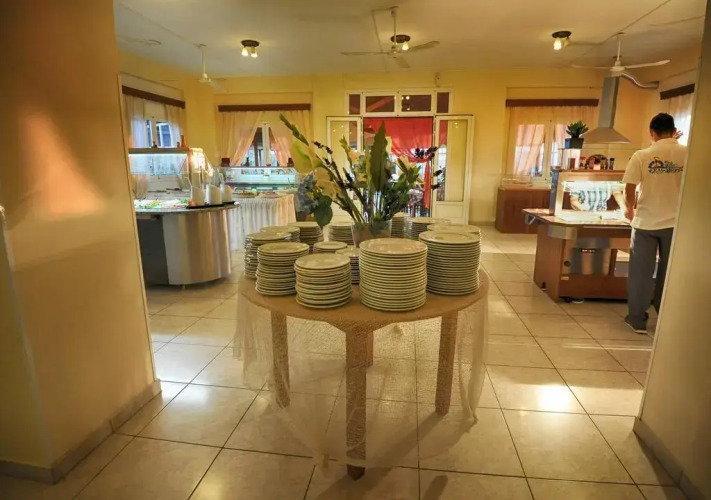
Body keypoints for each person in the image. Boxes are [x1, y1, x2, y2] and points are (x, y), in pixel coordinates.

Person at [622, 113, 686, 333]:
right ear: (673, 130)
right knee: (669, 273)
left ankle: (637, 319)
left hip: (646, 223)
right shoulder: (688, 154)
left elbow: (630, 187)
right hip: (677, 223)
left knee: (641, 274)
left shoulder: (642, 155)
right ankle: (666, 316)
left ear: (651, 132)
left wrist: (629, 209)